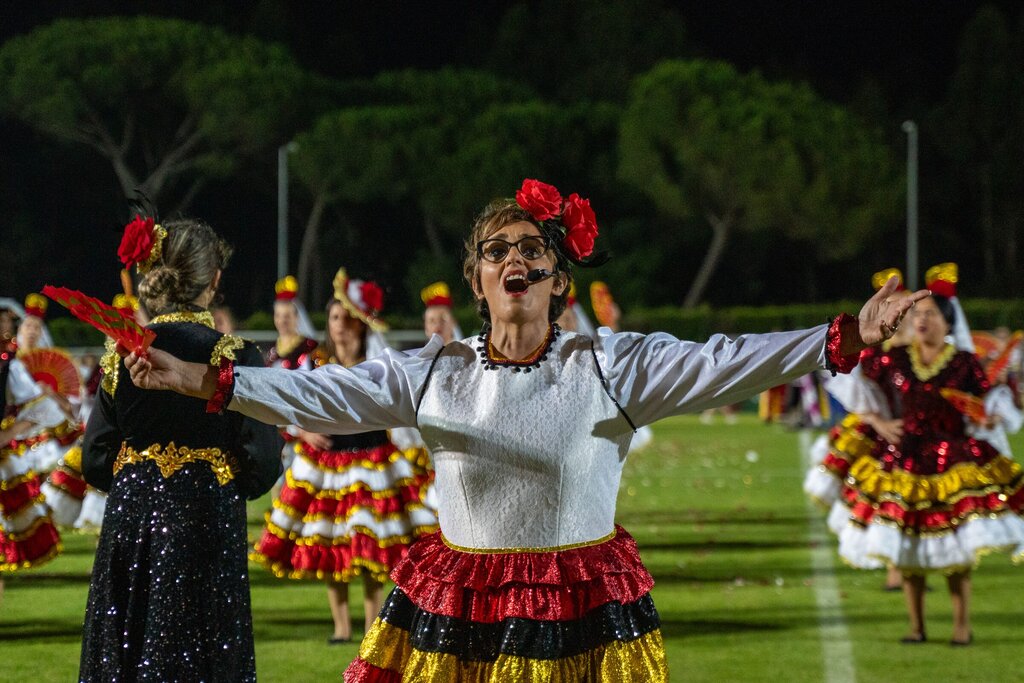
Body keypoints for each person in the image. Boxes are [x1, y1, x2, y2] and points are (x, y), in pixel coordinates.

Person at [124, 178, 921, 680]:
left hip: (579, 619)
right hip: (457, 613)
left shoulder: (609, 364)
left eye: (530, 246)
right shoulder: (436, 368)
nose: (514, 256)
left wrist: (843, 336)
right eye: (496, 249)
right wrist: (197, 377)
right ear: (477, 279)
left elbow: (726, 360)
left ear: (556, 277)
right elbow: (323, 395)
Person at [78, 214, 282, 681]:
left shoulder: (122, 355)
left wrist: (139, 478)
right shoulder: (236, 355)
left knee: (126, 644)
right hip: (206, 513)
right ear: (213, 279)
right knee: (203, 644)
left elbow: (94, 459)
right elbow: (263, 462)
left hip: (131, 515)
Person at [831, 263, 1024, 645]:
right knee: (909, 549)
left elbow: (986, 404)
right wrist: (877, 421)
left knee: (957, 551)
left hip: (954, 462)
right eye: (918, 314)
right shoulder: (894, 358)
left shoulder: (966, 363)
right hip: (903, 460)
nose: (922, 320)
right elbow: (846, 375)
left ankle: (961, 627)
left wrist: (989, 418)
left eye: (931, 314)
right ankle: (916, 627)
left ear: (949, 323)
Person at [250, 268, 437, 643]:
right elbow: (294, 403)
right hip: (329, 461)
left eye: (342, 317)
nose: (337, 325)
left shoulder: (377, 360)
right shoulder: (315, 360)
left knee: (370, 545)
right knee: (330, 544)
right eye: (333, 318)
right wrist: (304, 431)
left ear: (356, 321)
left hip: (372, 458)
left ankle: (372, 625)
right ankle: (340, 627)